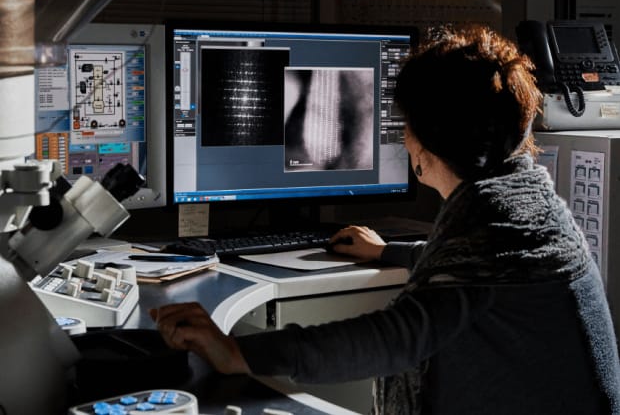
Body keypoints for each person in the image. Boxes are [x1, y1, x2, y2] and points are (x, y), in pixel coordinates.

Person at [149, 25, 620, 414]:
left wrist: (237, 354)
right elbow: (479, 278)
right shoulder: (525, 203)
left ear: (423, 143)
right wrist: (389, 251)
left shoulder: (493, 229)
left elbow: (396, 337)